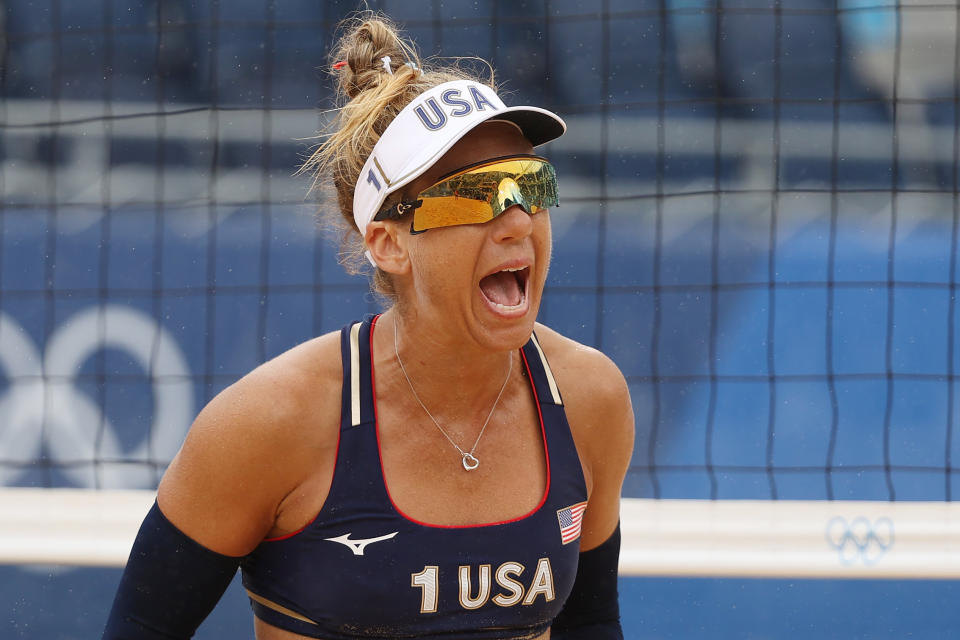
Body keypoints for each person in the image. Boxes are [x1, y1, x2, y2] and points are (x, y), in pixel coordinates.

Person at [103, 12, 634, 640]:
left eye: (530, 183)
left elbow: (592, 624)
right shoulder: (271, 423)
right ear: (387, 244)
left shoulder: (588, 398)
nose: (518, 221)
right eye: (472, 194)